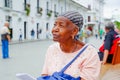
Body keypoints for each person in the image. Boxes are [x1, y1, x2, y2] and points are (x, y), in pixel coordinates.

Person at [41, 11, 101, 80]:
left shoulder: (89, 53)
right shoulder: (52, 49)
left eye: (61, 25)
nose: (54, 29)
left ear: (74, 31)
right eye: (55, 25)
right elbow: (45, 75)